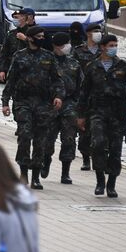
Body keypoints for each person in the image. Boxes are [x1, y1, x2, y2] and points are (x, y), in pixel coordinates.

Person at [77, 35, 126, 198]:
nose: (114, 47)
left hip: (118, 113)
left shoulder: (123, 66)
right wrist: (81, 115)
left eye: (116, 45)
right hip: (97, 112)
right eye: (111, 45)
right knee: (98, 144)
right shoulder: (92, 66)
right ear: (102, 47)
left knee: (115, 149)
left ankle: (111, 183)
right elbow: (84, 92)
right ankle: (100, 180)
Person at [1, 26, 65, 190]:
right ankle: (23, 172)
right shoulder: (19, 56)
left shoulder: (48, 57)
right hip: (23, 102)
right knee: (24, 135)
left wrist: (58, 96)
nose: (41, 38)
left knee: (40, 140)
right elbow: (11, 80)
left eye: (43, 36)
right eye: (38, 36)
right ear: (29, 38)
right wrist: (5, 102)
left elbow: (57, 80)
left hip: (43, 104)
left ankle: (36, 176)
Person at [44, 32, 82, 184]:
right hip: (50, 105)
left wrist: (79, 104)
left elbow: (81, 85)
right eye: (64, 44)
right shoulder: (46, 61)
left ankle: (65, 172)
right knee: (47, 139)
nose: (68, 47)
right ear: (56, 46)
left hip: (69, 104)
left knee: (69, 139)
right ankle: (45, 161)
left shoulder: (74, 64)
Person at [72, 23, 102, 171]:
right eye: (96, 31)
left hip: (101, 96)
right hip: (83, 94)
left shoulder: (105, 51)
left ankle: (98, 158)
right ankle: (85, 158)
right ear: (88, 33)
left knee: (100, 129)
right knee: (84, 129)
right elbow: (72, 69)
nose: (98, 33)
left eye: (99, 31)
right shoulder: (78, 51)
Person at [0, 8, 36, 83]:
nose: (14, 20)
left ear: (24, 18)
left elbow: (39, 48)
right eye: (14, 18)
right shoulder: (11, 34)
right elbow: (4, 53)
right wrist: (2, 70)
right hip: (13, 70)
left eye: (16, 17)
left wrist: (25, 39)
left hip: (30, 70)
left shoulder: (33, 32)